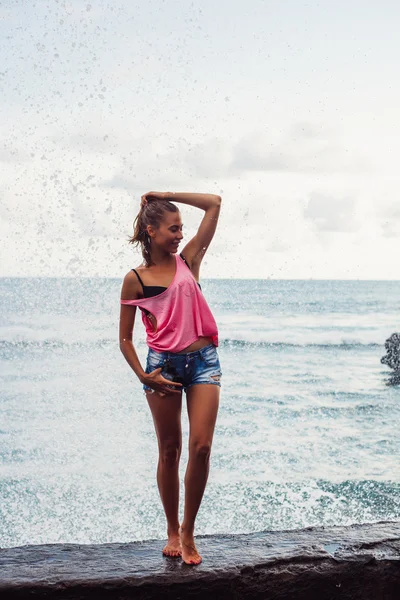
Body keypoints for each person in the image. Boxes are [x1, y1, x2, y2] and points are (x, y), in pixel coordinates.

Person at [119, 191, 222, 565]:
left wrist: (166, 195)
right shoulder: (135, 280)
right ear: (151, 231)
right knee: (169, 450)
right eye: (173, 228)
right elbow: (125, 339)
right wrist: (144, 374)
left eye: (182, 228)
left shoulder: (189, 261)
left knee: (201, 447)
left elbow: (214, 203)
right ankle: (172, 530)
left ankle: (190, 531)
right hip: (161, 367)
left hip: (203, 362)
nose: (180, 234)